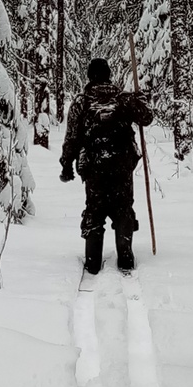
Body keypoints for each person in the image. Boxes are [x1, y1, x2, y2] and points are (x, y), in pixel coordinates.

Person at [60, 57, 152, 274]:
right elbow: (146, 118)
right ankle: (126, 259)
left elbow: (72, 137)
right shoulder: (123, 99)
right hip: (122, 166)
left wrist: (67, 165)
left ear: (90, 76)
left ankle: (93, 262)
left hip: (94, 168)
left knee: (95, 210)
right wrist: (140, 101)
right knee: (123, 210)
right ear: (109, 75)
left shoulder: (82, 102)